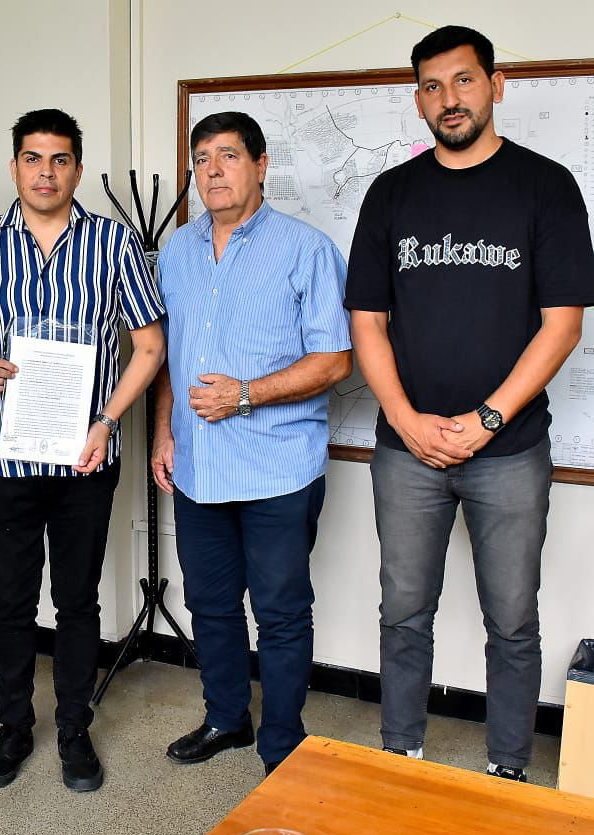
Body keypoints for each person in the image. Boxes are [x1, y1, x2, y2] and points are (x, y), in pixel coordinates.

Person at [345, 25, 594, 781]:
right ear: (417, 99)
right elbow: (367, 322)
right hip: (406, 451)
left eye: (462, 80)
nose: (447, 99)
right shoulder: (390, 194)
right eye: (431, 86)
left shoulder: (546, 186)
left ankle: (507, 769)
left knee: (512, 620)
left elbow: (563, 323)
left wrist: (486, 420)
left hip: (509, 451)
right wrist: (404, 420)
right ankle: (402, 755)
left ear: (495, 86)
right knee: (402, 612)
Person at [0, 108, 165, 792]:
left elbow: (149, 346)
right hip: (3, 461)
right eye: (33, 159)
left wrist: (107, 421)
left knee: (76, 601)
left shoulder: (114, 243)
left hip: (84, 462)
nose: (46, 172)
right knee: (10, 602)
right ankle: (12, 728)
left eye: (59, 159)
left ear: (77, 169)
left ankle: (73, 728)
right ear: (14, 167)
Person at [152, 111, 352, 776]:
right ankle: (226, 719)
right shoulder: (177, 252)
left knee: (280, 613)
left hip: (278, 470)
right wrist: (163, 431)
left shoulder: (306, 249)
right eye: (201, 158)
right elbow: (169, 355)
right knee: (209, 605)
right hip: (197, 468)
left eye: (228, 155)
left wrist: (246, 394)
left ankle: (283, 744)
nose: (212, 170)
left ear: (260, 165)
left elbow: (334, 360)